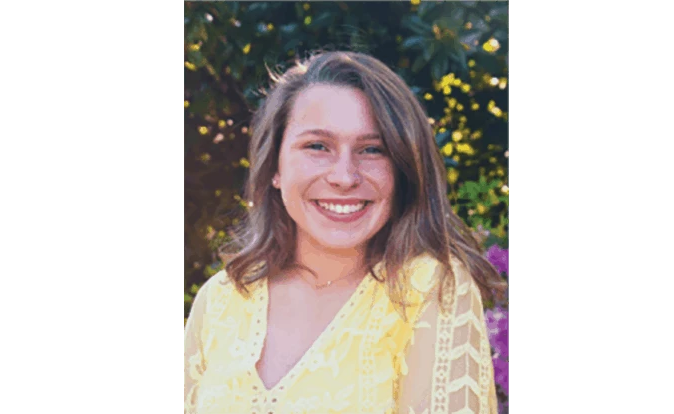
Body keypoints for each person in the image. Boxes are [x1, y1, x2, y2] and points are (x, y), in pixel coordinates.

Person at [183, 51, 507, 414]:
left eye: (372, 150)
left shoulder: (432, 288)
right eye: (317, 146)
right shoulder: (219, 301)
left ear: (402, 171)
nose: (344, 176)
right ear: (274, 166)